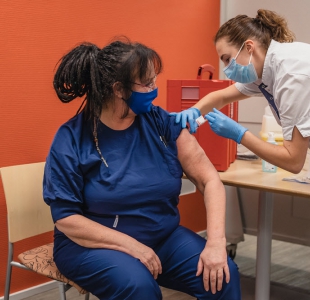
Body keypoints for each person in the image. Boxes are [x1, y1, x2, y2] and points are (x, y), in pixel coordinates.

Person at [172, 9, 310, 300]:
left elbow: (293, 160)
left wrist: (240, 134)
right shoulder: (270, 69)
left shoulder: (295, 73)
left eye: (228, 58)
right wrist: (192, 110)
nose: (227, 68)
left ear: (249, 47)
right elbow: (223, 95)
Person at [43, 38, 241, 300]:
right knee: (139, 288)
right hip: (91, 245)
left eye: (154, 80)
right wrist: (131, 246)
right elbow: (66, 218)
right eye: (147, 83)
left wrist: (216, 243)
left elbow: (209, 180)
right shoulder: (72, 138)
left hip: (162, 237)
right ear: (118, 89)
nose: (154, 89)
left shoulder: (161, 124)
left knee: (223, 275)